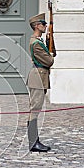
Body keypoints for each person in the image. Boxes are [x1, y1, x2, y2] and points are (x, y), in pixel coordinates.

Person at [27, 13, 56, 152]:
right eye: (43, 24)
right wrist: (50, 54)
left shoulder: (39, 41)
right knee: (35, 110)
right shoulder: (36, 43)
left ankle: (34, 141)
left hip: (40, 76)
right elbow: (49, 61)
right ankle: (33, 143)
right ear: (37, 25)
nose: (45, 26)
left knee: (35, 109)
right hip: (38, 77)